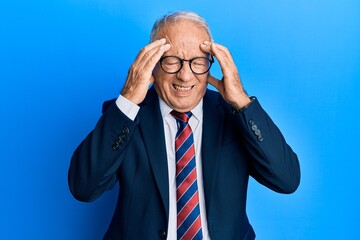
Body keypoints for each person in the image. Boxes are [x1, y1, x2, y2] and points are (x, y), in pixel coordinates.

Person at [68, 11, 300, 240]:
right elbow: (84, 188)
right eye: (172, 61)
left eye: (198, 62)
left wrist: (242, 102)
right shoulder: (125, 117)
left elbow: (286, 180)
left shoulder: (235, 115)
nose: (185, 76)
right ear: (152, 64)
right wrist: (128, 100)